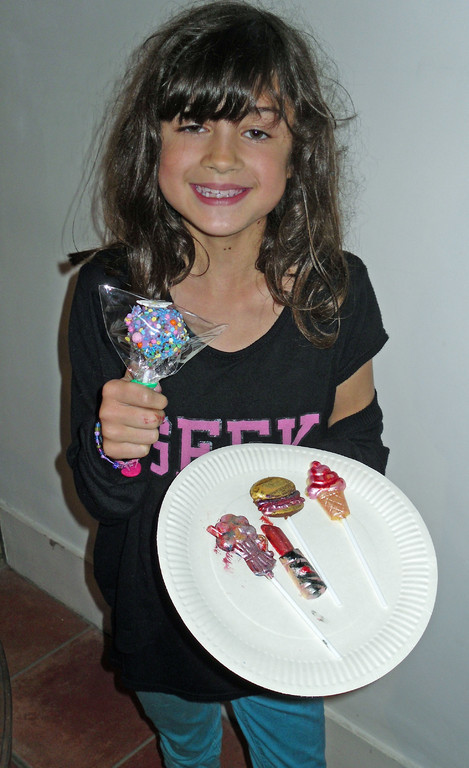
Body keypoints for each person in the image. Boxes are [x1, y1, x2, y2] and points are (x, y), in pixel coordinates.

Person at [67, 2, 389, 766]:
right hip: (159, 606)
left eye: (255, 131)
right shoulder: (116, 295)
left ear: (297, 153)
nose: (219, 158)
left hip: (282, 600)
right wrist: (113, 445)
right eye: (192, 124)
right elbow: (103, 496)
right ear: (151, 142)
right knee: (185, 745)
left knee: (293, 756)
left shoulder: (333, 293)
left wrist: (332, 522)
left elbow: (356, 434)